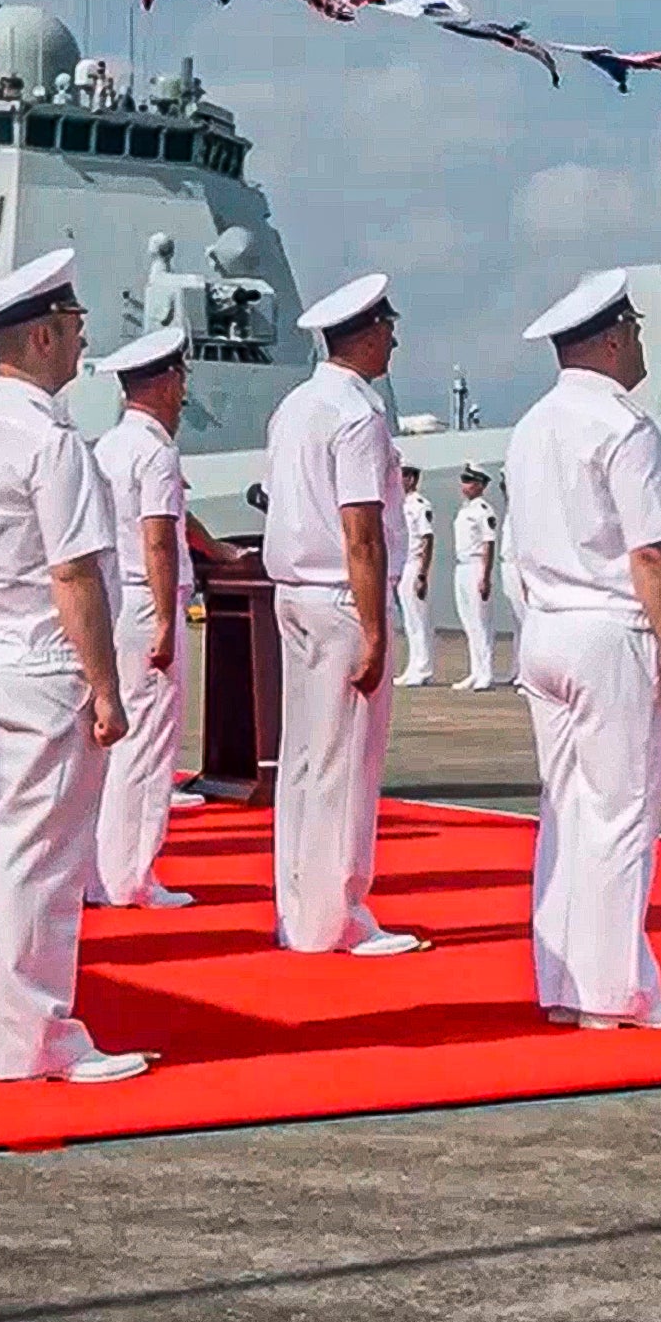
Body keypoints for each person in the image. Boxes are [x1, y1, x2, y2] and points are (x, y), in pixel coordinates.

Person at [0, 249, 149, 1083]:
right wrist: (105, 684)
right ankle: (37, 1040)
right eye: (73, 329)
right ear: (44, 336)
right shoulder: (49, 441)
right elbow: (74, 572)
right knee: (44, 860)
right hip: (45, 664)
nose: (81, 343)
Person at [504, 268, 661, 1029]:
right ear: (609, 339)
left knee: (567, 812)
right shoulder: (623, 428)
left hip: (548, 628)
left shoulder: (533, 426)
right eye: (630, 331)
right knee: (622, 813)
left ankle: (564, 984)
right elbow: (651, 552)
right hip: (611, 630)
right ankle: (620, 992)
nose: (638, 343)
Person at [259, 273, 425, 955]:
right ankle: (337, 917)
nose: (394, 337)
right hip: (338, 598)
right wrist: (377, 628)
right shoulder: (356, 414)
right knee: (346, 761)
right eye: (387, 326)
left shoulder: (295, 406)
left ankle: (297, 907)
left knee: (303, 758)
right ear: (365, 333)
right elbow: (361, 526)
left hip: (293, 593)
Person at [91, 321, 220, 908]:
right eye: (181, 377)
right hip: (149, 602)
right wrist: (169, 621)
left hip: (115, 601)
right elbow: (160, 537)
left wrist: (218, 550)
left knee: (118, 744)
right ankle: (133, 876)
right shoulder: (157, 452)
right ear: (166, 382)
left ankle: (101, 869)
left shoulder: (109, 446)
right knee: (148, 747)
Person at [450, 464, 505, 692]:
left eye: (471, 480)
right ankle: (475, 671)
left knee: (481, 623)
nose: (465, 485)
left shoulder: (484, 510)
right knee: (469, 622)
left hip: (475, 567)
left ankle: (486, 673)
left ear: (481, 485)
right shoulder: (465, 510)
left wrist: (485, 575)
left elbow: (488, 544)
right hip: (461, 567)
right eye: (464, 479)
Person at [391, 469, 438, 689]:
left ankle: (423, 668)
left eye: (402, 476)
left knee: (419, 620)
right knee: (410, 621)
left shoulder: (420, 505)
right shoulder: (402, 505)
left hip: (415, 564)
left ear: (411, 479)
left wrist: (423, 573)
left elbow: (427, 538)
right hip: (403, 565)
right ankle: (413, 666)